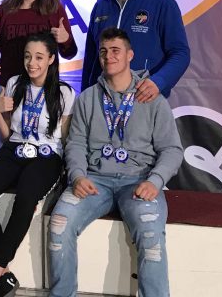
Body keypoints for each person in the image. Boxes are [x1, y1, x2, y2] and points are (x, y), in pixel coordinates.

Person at [48, 27, 183, 297]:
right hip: (94, 181)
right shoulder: (88, 98)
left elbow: (172, 150)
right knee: (59, 223)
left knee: (151, 236)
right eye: (103, 51)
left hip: (139, 181)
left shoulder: (152, 98)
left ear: (130, 55)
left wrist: (155, 182)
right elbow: (75, 143)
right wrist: (78, 175)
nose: (108, 56)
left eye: (115, 51)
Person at [0, 32, 74, 297]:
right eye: (28, 56)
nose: (32, 63)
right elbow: (7, 135)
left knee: (26, 197)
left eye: (39, 57)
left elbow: (65, 138)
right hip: (14, 148)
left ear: (51, 59)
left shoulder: (64, 92)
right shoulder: (14, 83)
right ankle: (3, 269)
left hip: (47, 155)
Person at [82, 0, 190, 102]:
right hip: (102, 100)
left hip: (143, 99)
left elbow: (180, 53)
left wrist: (158, 82)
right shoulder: (101, 7)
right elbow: (91, 60)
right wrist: (85, 99)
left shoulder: (162, 3)